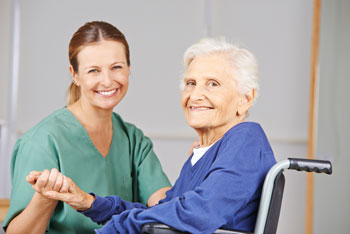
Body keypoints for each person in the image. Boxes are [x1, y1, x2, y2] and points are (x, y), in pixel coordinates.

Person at [27, 38, 276, 233]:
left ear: (246, 98)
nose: (196, 95)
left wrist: (118, 227)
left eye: (213, 84)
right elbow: (163, 210)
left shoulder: (245, 139)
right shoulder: (204, 152)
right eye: (191, 83)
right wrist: (88, 202)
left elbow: (199, 213)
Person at [3, 21, 171, 234]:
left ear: (129, 68)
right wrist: (45, 199)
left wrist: (196, 168)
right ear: (75, 75)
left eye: (116, 67)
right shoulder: (42, 141)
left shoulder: (133, 140)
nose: (107, 80)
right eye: (93, 71)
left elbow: (165, 210)